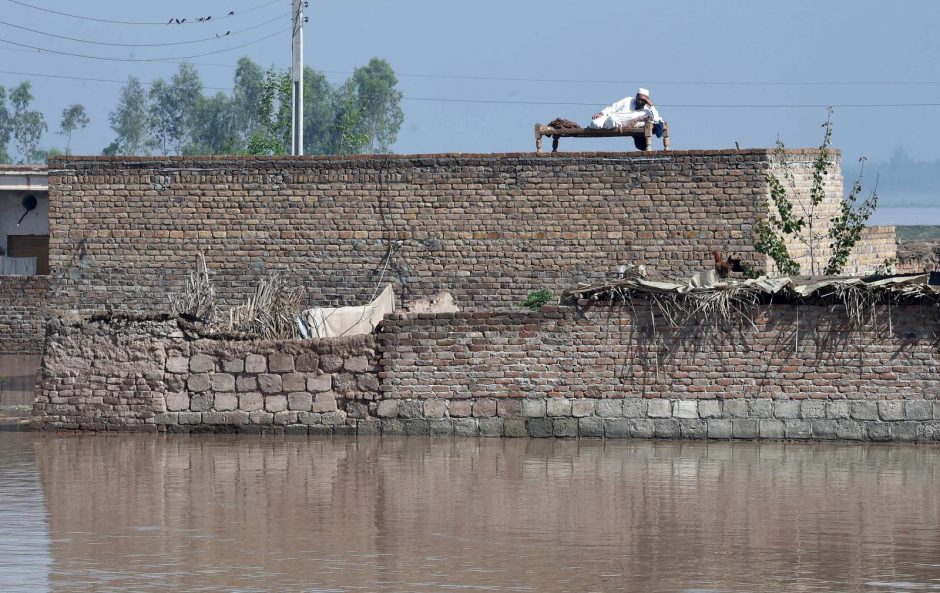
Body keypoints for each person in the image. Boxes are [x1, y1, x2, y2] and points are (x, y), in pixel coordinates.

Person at [589, 88, 664, 150]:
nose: (640, 101)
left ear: (647, 100)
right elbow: (613, 107)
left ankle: (607, 125)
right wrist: (601, 113)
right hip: (609, 117)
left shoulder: (647, 111)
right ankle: (603, 124)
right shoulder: (628, 100)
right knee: (595, 123)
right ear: (636, 96)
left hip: (616, 122)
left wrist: (651, 105)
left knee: (613, 121)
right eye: (639, 98)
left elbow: (657, 120)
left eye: (643, 100)